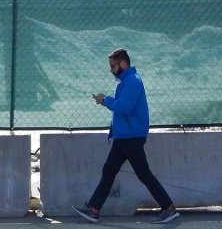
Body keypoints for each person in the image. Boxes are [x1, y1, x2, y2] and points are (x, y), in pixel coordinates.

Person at [73, 48, 179, 224]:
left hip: (131, 137)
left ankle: (169, 208)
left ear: (123, 63)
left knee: (143, 174)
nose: (111, 70)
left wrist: (105, 100)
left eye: (113, 66)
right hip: (124, 137)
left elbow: (124, 107)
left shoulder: (132, 82)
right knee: (109, 171)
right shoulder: (125, 82)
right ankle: (93, 209)